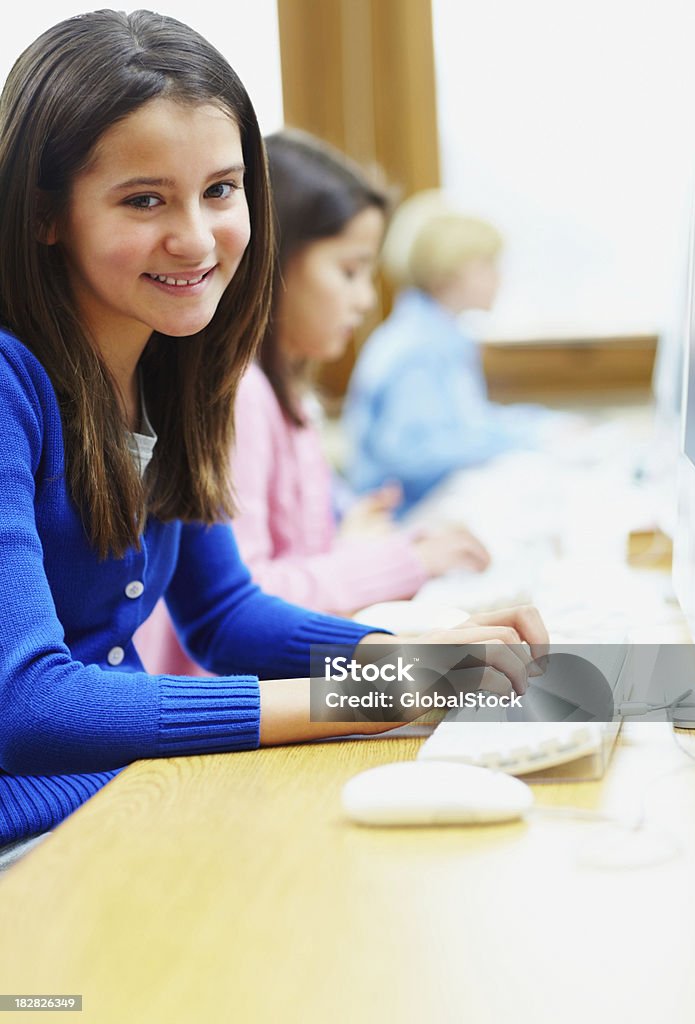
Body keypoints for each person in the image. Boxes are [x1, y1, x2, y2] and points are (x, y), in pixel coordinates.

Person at [0, 10, 547, 860]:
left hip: (126, 803)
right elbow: (27, 706)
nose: (195, 237)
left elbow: (223, 614)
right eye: (145, 200)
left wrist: (410, 652)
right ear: (44, 216)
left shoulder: (176, 368)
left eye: (220, 190)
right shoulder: (8, 386)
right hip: (34, 844)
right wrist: (366, 691)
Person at [136, 131, 491, 676]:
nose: (367, 298)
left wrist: (361, 536)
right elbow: (250, 597)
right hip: (227, 703)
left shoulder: (290, 398)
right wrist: (406, 561)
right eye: (349, 270)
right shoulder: (239, 396)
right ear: (273, 264)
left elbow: (307, 545)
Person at [342, 189, 557, 513]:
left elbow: (465, 425)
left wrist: (541, 426)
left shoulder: (440, 337)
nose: (500, 278)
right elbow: (415, 452)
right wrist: (531, 440)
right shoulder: (416, 351)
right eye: (488, 265)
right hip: (407, 520)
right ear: (449, 272)